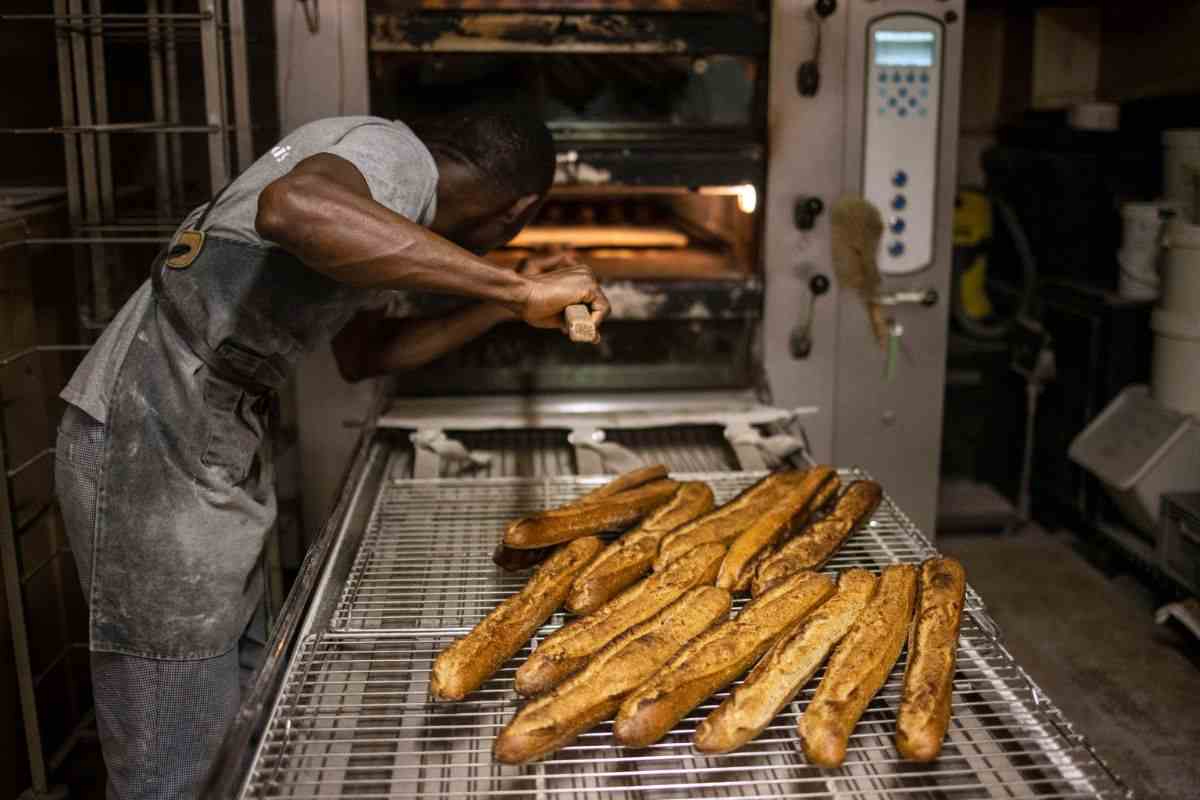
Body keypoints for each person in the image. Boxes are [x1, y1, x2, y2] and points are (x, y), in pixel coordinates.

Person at [53, 104, 609, 799]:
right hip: (153, 438)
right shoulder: (397, 157)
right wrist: (517, 286)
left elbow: (367, 355)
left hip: (205, 437)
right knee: (174, 768)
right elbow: (295, 207)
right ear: (517, 209)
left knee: (234, 715)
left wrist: (502, 304)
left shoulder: (391, 216)